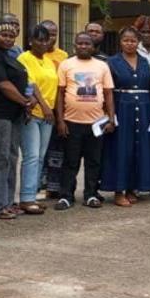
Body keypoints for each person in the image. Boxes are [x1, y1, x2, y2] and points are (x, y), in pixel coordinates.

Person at [102, 27, 150, 206]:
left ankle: (132, 188)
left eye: (133, 40)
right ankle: (119, 190)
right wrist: (110, 115)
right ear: (120, 42)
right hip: (121, 108)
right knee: (121, 148)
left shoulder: (146, 62)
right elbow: (107, 91)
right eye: (126, 40)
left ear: (138, 42)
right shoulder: (111, 62)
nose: (129, 44)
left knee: (140, 147)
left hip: (144, 109)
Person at [54, 33, 115, 210]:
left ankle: (90, 194)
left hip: (96, 123)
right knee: (70, 161)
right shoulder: (66, 64)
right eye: (80, 43)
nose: (83, 46)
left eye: (87, 44)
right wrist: (60, 120)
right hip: (71, 122)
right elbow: (60, 94)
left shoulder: (102, 66)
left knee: (94, 161)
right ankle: (66, 196)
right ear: (74, 46)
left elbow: (108, 94)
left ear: (93, 47)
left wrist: (111, 119)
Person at [0, 21, 32, 219]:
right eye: (4, 35)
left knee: (11, 157)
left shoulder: (12, 55)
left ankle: (8, 202)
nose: (8, 39)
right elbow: (3, 84)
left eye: (11, 36)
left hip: (14, 115)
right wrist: (24, 102)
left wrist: (26, 102)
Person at [16, 24, 58, 214]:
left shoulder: (48, 61)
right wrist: (45, 106)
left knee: (41, 157)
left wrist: (52, 110)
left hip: (48, 116)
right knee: (31, 156)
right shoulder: (24, 58)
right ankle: (25, 199)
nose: (43, 43)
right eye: (39, 40)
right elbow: (31, 84)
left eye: (46, 40)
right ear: (30, 41)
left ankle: (32, 195)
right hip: (32, 114)